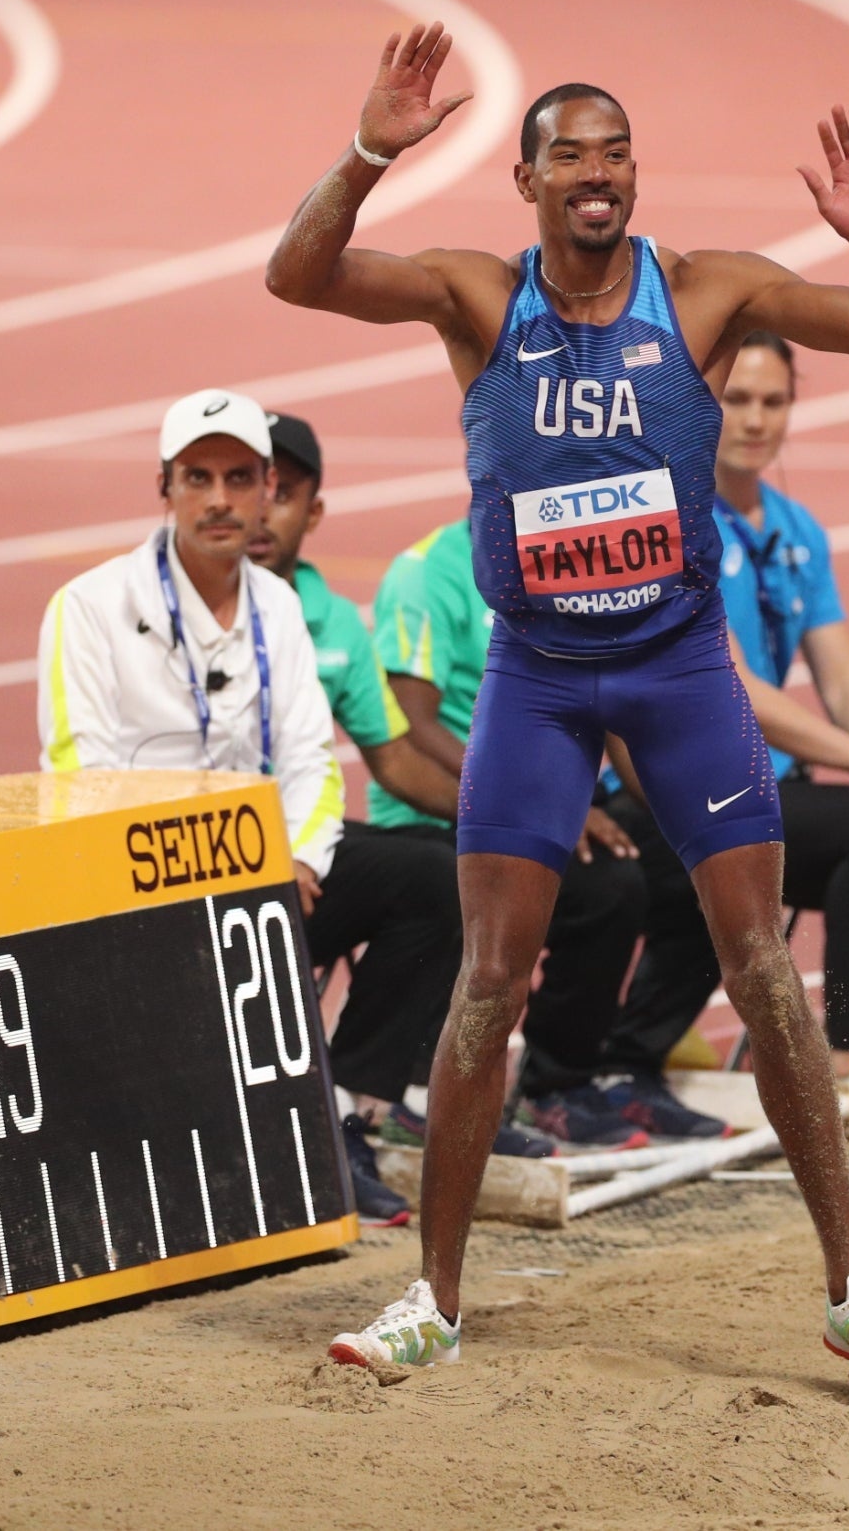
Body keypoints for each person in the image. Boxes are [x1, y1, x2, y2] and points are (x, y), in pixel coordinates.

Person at [267, 22, 849, 1372]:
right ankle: (436, 1303)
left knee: (763, 968)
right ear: (525, 180)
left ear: (637, 176)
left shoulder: (705, 293)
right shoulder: (478, 296)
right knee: (487, 981)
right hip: (539, 674)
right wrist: (364, 154)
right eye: (570, 153)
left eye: (618, 152)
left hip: (679, 666)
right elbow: (299, 277)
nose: (598, 173)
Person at [36, 389, 412, 1225]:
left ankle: (345, 1113)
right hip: (142, 882)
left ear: (268, 488)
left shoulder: (279, 605)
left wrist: (303, 860)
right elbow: (82, 778)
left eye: (239, 478)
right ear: (164, 486)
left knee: (425, 879)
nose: (218, 499)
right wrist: (222, 864)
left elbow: (314, 760)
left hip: (270, 871)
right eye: (197, 477)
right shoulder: (88, 608)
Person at [596, 331, 849, 1107]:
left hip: (761, 788)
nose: (756, 420)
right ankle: (843, 1059)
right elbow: (731, 687)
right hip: (664, 789)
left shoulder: (797, 529)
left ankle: (833, 1034)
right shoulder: (668, 519)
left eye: (774, 401)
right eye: (737, 399)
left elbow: (840, 671)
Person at [249, 414, 556, 1175]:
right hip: (188, 871)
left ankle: (351, 1108)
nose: (257, 509)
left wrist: (507, 823)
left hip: (299, 862)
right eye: (239, 486)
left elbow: (393, 758)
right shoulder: (148, 610)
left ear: (312, 512)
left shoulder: (330, 625)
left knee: (444, 872)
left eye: (280, 493)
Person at [371, 519, 659, 1149]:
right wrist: (534, 803)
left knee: (646, 861)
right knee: (589, 881)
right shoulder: (426, 571)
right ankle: (425, 1097)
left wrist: (685, 805)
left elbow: (605, 698)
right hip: (440, 809)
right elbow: (413, 725)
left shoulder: (569, 561)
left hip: (549, 802)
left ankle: (569, 1083)